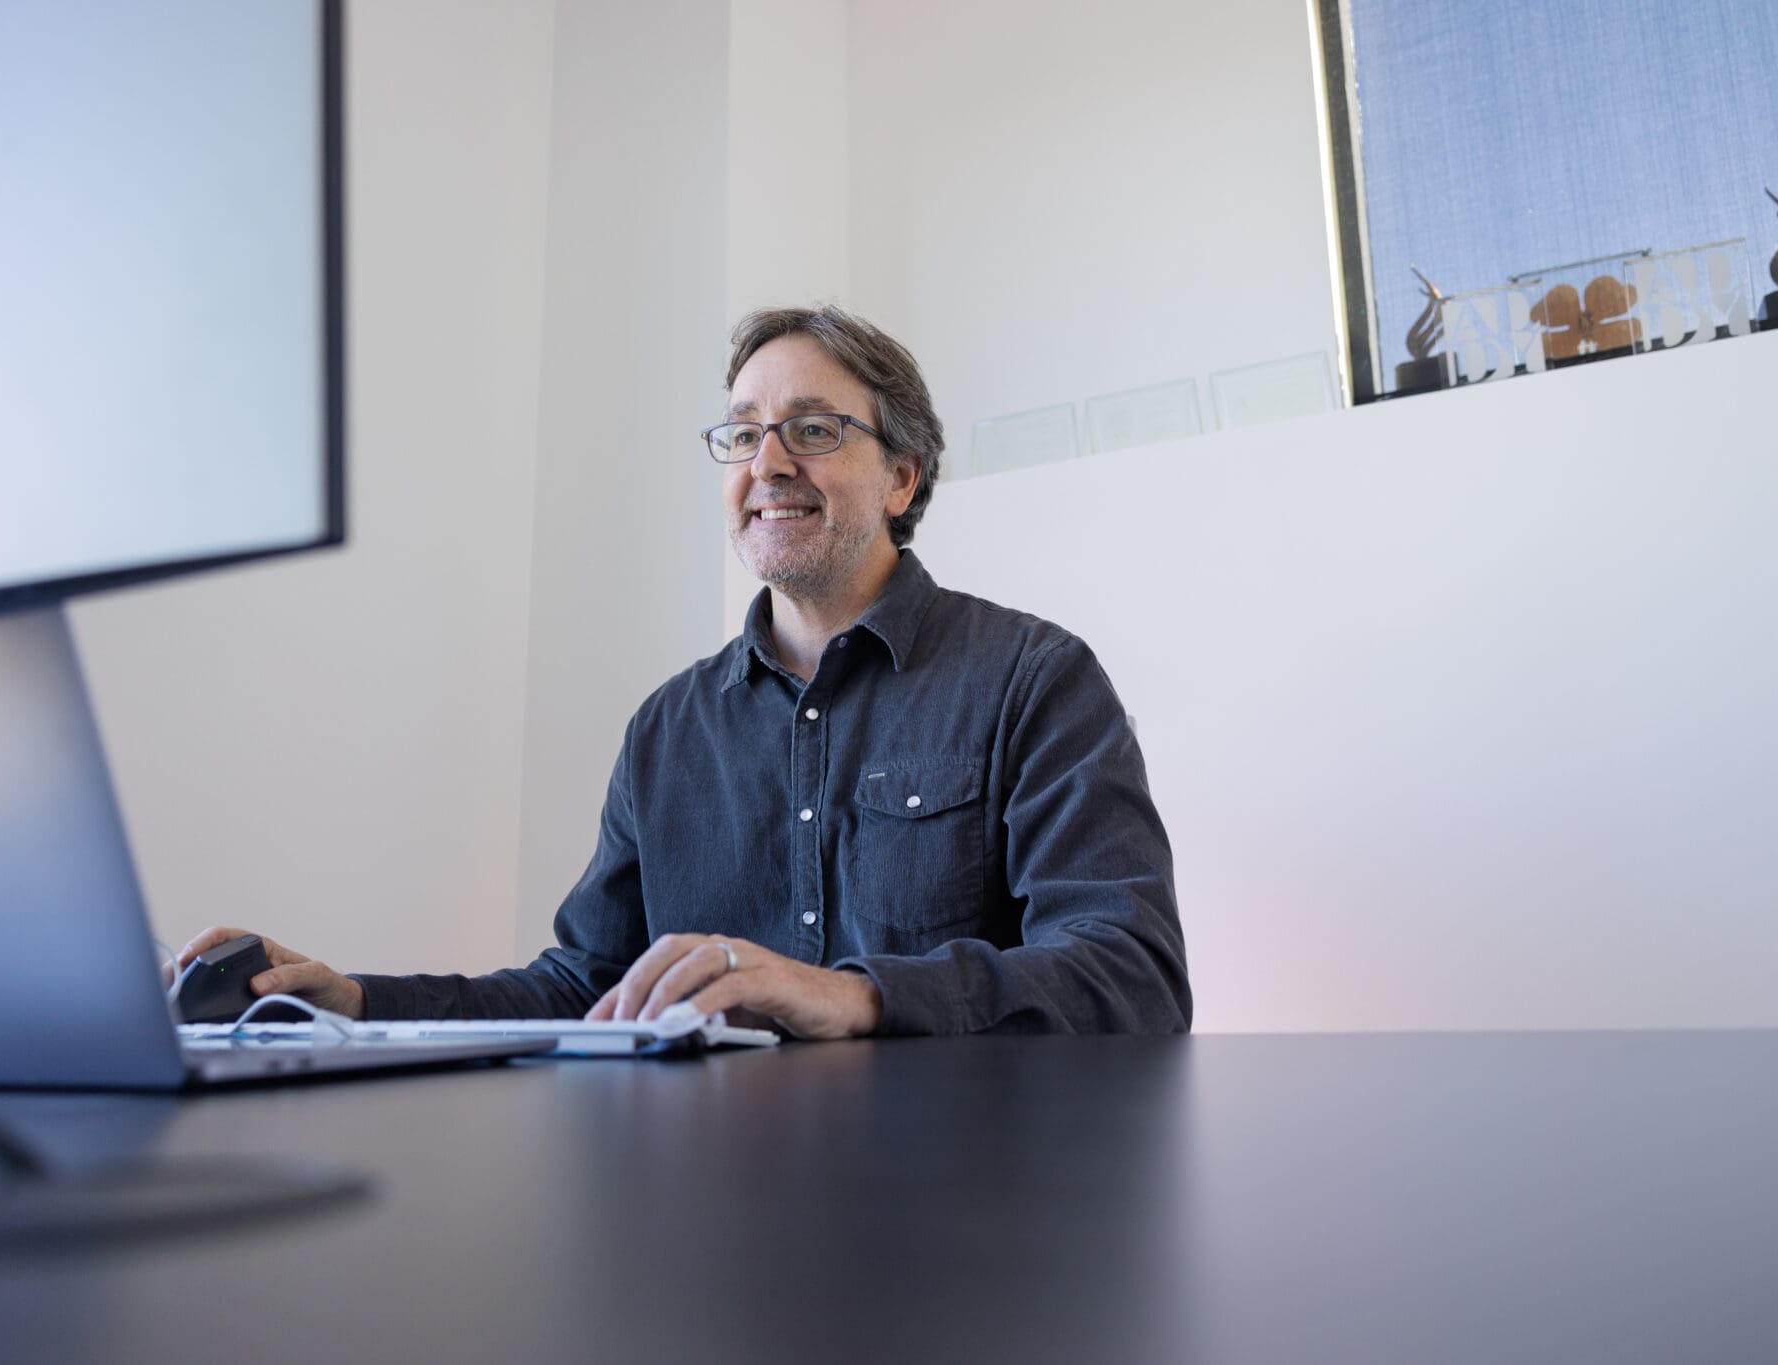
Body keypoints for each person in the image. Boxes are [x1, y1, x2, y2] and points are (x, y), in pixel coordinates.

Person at [180, 306, 1190, 1036]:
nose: (767, 463)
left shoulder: (1034, 680)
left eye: (813, 429)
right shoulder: (666, 731)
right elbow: (584, 985)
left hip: (970, 1200)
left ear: (900, 476)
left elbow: (1132, 974)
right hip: (709, 1199)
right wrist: (356, 1004)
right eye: (743, 433)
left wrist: (855, 995)